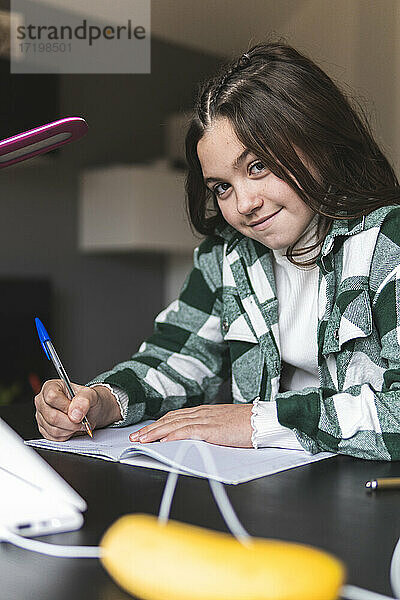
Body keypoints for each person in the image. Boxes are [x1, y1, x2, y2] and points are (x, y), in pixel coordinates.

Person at [34, 42, 400, 460]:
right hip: (276, 484)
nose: (244, 204)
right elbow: (177, 358)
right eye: (222, 187)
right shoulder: (227, 256)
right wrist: (103, 401)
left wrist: (256, 420)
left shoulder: (389, 240)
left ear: (315, 140)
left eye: (257, 166)